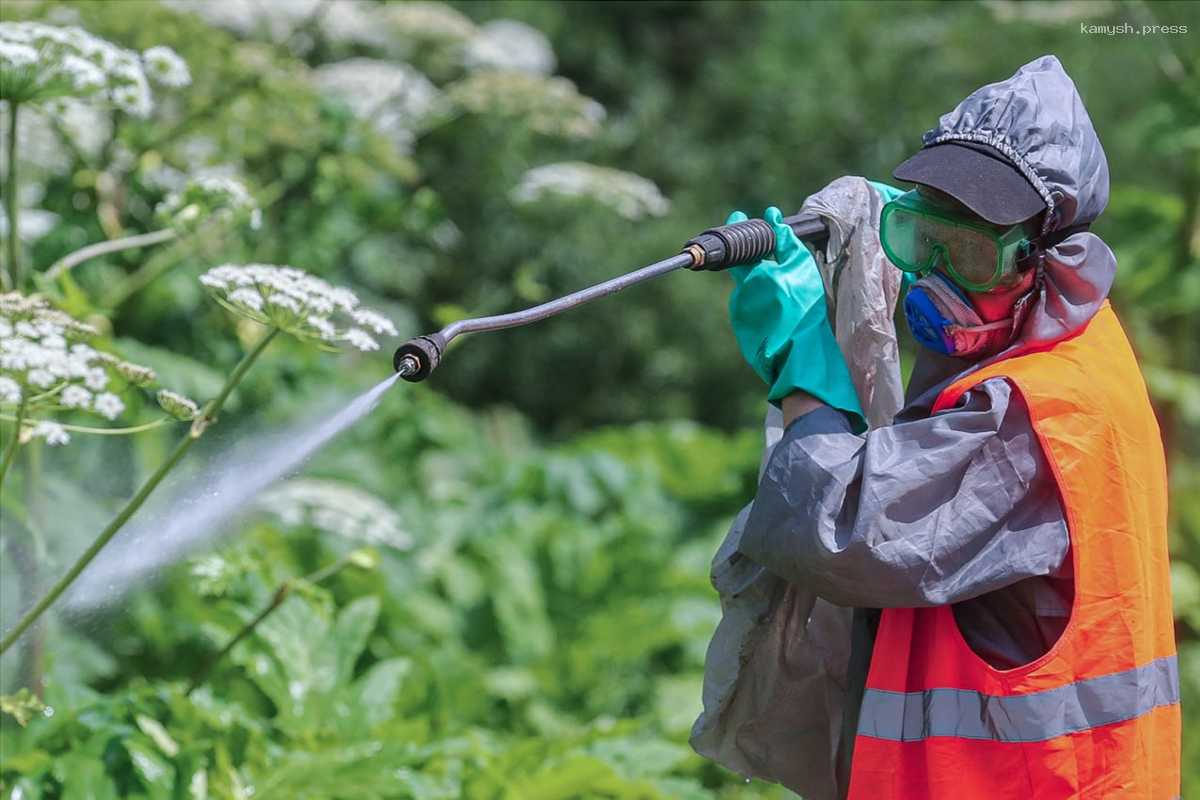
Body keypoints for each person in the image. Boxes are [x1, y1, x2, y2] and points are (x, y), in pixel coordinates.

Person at [692, 55, 1180, 799]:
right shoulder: (1076, 339)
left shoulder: (1036, 414)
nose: (941, 278)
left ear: (1055, 261)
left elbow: (843, 530)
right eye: (923, 240)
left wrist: (806, 370)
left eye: (974, 255)